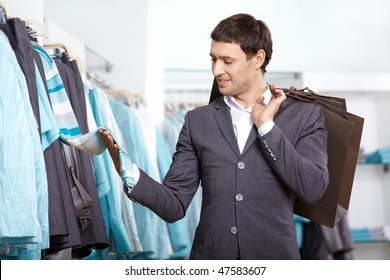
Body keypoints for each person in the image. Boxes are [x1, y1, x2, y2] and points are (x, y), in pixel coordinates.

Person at [99, 13, 329, 260]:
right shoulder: (197, 121)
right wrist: (128, 170)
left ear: (258, 58)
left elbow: (313, 188)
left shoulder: (304, 116)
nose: (216, 70)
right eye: (213, 59)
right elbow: (174, 205)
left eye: (227, 61)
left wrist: (266, 128)